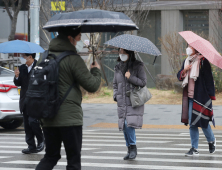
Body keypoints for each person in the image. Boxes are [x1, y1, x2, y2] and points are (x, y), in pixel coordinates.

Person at [35, 27, 101, 170]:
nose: (79, 41)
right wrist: (96, 70)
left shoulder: (44, 56)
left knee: (50, 157)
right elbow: (92, 85)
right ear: (69, 38)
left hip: (48, 116)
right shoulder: (73, 59)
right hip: (70, 119)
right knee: (73, 161)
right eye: (78, 38)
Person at [177, 45, 216, 157]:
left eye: (190, 46)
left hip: (201, 97)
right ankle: (194, 148)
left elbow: (209, 79)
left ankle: (211, 140)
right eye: (187, 46)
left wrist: (210, 97)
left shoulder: (203, 62)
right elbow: (179, 75)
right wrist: (185, 70)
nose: (188, 48)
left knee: (203, 122)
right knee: (192, 123)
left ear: (196, 48)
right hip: (189, 98)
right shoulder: (186, 61)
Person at [113, 48, 147, 160]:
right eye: (120, 52)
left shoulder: (138, 66)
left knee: (128, 124)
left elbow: (143, 82)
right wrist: (115, 95)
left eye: (124, 52)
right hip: (122, 101)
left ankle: (133, 147)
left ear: (129, 53)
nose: (121, 54)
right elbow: (115, 84)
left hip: (133, 100)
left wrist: (130, 77)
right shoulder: (118, 67)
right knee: (123, 125)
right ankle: (129, 149)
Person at [14, 53, 44, 154]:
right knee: (27, 125)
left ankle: (41, 141)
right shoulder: (22, 68)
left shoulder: (38, 67)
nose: (22, 59)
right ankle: (31, 146)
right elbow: (18, 83)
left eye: (24, 57)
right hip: (24, 100)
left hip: (35, 100)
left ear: (30, 57)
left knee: (33, 121)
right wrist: (17, 76)